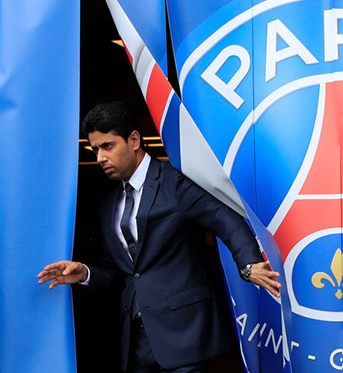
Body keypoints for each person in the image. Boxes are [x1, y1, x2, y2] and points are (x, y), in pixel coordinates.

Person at [38, 102, 281, 373]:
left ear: (134, 140)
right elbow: (120, 274)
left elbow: (224, 219)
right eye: (95, 150)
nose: (100, 158)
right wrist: (85, 273)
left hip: (185, 333)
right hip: (136, 342)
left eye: (107, 146)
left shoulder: (176, 182)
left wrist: (248, 263)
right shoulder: (107, 204)